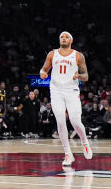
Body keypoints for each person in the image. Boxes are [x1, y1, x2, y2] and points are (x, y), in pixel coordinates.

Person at [39, 31, 92, 166]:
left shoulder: (78, 55)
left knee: (75, 121)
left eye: (66, 37)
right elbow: (43, 70)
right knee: (60, 121)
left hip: (71, 91)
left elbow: (86, 76)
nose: (63, 38)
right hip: (56, 91)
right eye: (61, 37)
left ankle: (85, 142)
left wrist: (78, 76)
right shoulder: (52, 54)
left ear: (71, 40)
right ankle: (68, 154)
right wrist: (43, 74)